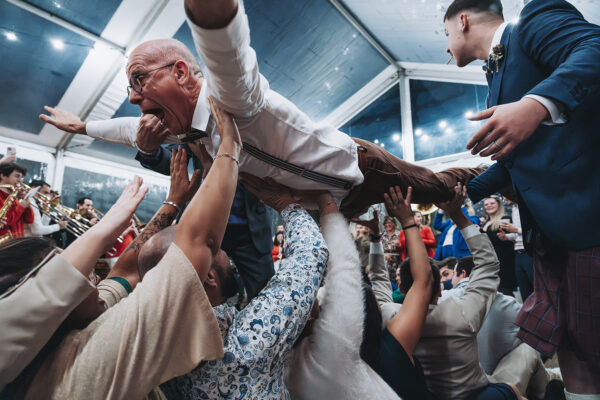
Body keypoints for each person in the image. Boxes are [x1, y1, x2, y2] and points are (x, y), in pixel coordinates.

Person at [40, 0, 483, 221]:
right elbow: (125, 129)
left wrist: (211, 14)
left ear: (180, 72)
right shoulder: (181, 131)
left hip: (364, 169)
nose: (134, 98)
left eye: (138, 80)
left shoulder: (232, 99)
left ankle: (495, 171)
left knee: (439, 187)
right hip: (329, 206)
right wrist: (83, 126)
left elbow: (230, 57)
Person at [16, 98, 237, 400]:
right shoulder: (85, 372)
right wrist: (229, 149)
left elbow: (126, 269)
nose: (89, 280)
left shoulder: (74, 320)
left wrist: (171, 203)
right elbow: (198, 243)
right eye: (71, 276)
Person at [444, 0, 600, 394]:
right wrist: (453, 190)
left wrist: (534, 105)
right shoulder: (493, 73)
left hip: (589, 221)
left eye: (444, 34)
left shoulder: (533, 19)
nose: (446, 46)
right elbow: (518, 165)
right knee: (571, 344)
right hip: (552, 237)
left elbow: (594, 47)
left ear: (462, 20)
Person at [160, 175, 330, 399]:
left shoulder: (155, 349)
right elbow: (312, 253)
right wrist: (285, 204)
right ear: (209, 277)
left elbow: (134, 268)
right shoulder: (250, 339)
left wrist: (173, 202)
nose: (225, 250)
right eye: (213, 248)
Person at [370, 184, 524, 399]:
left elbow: (378, 282)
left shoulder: (390, 317)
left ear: (402, 288)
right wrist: (457, 214)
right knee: (526, 355)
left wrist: (375, 239)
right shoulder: (461, 313)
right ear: (440, 289)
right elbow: (488, 263)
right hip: (474, 395)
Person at [0, 176, 148, 392]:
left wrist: (172, 202)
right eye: (82, 277)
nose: (94, 278)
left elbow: (125, 272)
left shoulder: (85, 310)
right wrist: (104, 230)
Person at [286, 195, 400, 400]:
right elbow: (371, 278)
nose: (315, 298)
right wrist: (328, 204)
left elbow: (355, 280)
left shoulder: (304, 361)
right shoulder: (387, 324)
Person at [439, 256, 550, 398]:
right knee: (528, 349)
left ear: (463, 274)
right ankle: (545, 393)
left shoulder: (444, 300)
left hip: (456, 387)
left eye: (452, 274)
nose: (446, 280)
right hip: (497, 386)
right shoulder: (508, 303)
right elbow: (539, 336)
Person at [497, 199, 533, 301]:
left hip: (529, 252)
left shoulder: (526, 205)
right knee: (524, 291)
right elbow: (517, 234)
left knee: (536, 288)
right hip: (517, 253)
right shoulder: (514, 208)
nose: (504, 198)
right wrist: (506, 237)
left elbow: (533, 230)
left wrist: (516, 230)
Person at [481, 195, 516, 296]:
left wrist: (481, 232)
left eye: (492, 203)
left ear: (499, 205)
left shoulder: (505, 219)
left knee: (505, 292)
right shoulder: (485, 223)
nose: (489, 206)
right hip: (490, 261)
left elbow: (503, 240)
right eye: (486, 204)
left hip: (504, 261)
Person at [0, 162, 33, 239]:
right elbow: (4, 222)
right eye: (17, 176)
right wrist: (21, 206)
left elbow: (29, 219)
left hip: (16, 242)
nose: (20, 181)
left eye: (22, 177)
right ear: (3, 175)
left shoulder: (14, 196)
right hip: (5, 244)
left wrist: (26, 202)